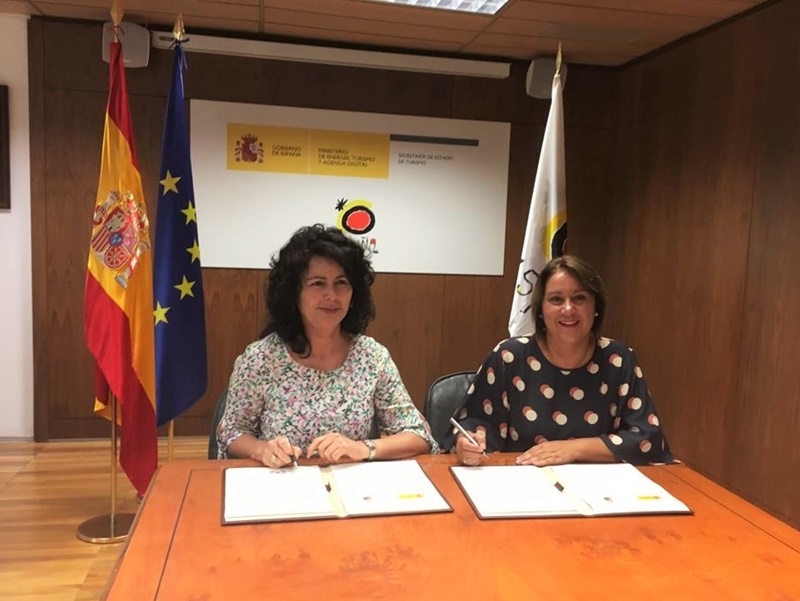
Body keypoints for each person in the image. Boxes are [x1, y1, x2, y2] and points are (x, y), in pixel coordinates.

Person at [217, 224, 436, 466]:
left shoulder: (372, 357)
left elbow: (418, 435)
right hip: (282, 481)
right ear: (293, 293)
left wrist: (363, 448)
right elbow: (232, 431)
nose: (332, 295)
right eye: (317, 283)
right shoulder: (260, 358)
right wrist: (261, 449)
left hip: (352, 485)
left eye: (341, 282)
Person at [454, 255, 673, 467]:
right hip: (522, 479)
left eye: (579, 298)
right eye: (556, 299)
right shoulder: (509, 356)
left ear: (595, 307)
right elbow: (474, 422)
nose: (568, 309)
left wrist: (573, 449)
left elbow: (647, 439)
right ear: (541, 309)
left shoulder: (619, 359)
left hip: (599, 486)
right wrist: (467, 444)